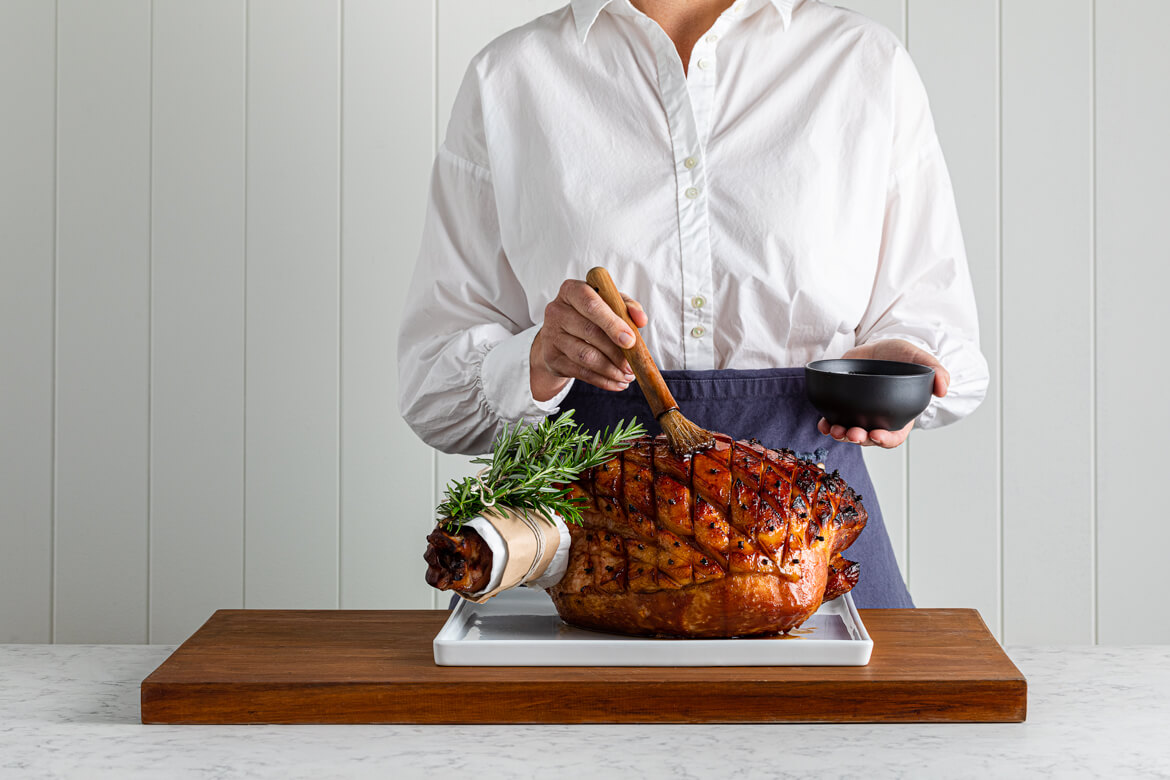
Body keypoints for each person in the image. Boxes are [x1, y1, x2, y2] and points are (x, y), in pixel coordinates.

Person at [397, 0, 989, 608]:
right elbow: (434, 396)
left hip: (804, 551)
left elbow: (947, 351)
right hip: (576, 558)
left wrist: (903, 369)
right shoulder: (510, 77)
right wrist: (539, 360)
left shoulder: (865, 63)